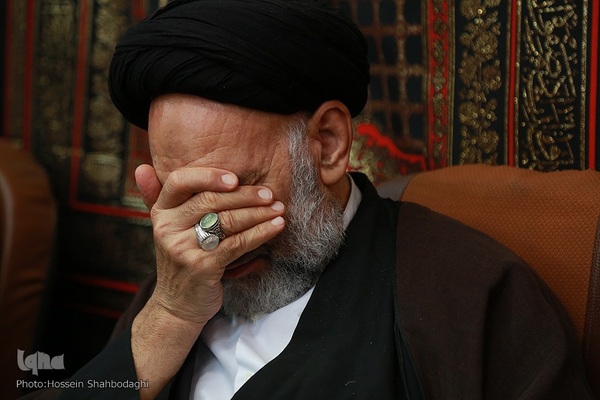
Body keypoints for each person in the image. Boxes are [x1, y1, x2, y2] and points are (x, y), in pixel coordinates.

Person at [26, 0, 593, 399]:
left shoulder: (467, 296)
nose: (210, 232)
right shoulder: (182, 279)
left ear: (327, 143)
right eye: (185, 197)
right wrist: (167, 319)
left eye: (234, 188)